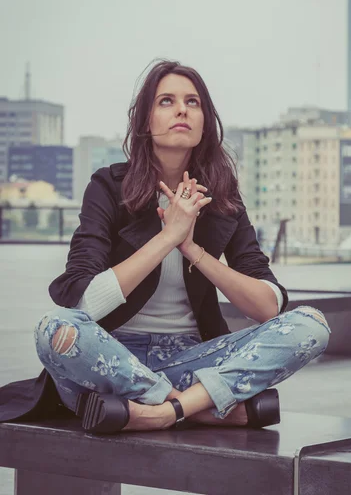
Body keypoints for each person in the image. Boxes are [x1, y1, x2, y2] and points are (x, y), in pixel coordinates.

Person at [2, 60, 331, 433]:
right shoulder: (108, 187)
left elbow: (267, 305)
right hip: (110, 357)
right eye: (166, 101)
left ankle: (157, 411)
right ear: (145, 120)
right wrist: (168, 237)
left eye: (193, 102)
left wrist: (194, 251)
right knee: (55, 327)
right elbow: (84, 302)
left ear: (205, 120)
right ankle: (200, 408)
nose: (181, 110)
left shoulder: (222, 197)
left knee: (311, 325)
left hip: (194, 357)